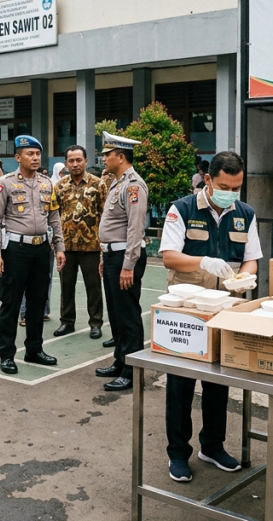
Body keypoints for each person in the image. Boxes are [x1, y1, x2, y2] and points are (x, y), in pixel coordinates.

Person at [157, 151, 260, 482]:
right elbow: (169, 257)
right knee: (181, 384)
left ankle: (212, 445)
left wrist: (245, 277)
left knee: (219, 381)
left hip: (226, 309)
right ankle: (178, 453)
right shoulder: (182, 209)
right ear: (208, 180)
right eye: (225, 186)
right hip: (187, 312)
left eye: (237, 187)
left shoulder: (245, 214)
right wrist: (203, 262)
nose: (231, 193)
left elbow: (251, 258)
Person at [0, 135, 65, 374]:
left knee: (37, 302)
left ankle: (34, 350)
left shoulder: (47, 183)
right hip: (16, 250)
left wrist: (60, 247)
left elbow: (54, 217)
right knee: (11, 303)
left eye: (37, 154)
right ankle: (6, 355)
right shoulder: (5, 183)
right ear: (17, 157)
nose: (35, 158)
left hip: (42, 249)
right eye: (29, 154)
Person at [93, 132, 148, 392]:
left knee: (128, 314)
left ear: (121, 156)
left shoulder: (134, 185)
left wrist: (128, 265)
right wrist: (104, 256)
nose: (104, 159)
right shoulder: (117, 183)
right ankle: (120, 360)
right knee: (116, 313)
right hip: (113, 256)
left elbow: (135, 229)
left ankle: (132, 371)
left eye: (108, 154)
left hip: (126, 257)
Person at [53, 145, 106, 339]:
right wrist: (56, 244)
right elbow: (54, 216)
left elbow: (104, 216)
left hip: (91, 245)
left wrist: (104, 246)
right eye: (71, 161)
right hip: (66, 246)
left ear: (86, 161)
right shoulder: (59, 186)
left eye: (78, 160)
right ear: (66, 163)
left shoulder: (98, 185)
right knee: (66, 286)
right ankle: (67, 322)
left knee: (93, 286)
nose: (75, 164)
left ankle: (96, 323)